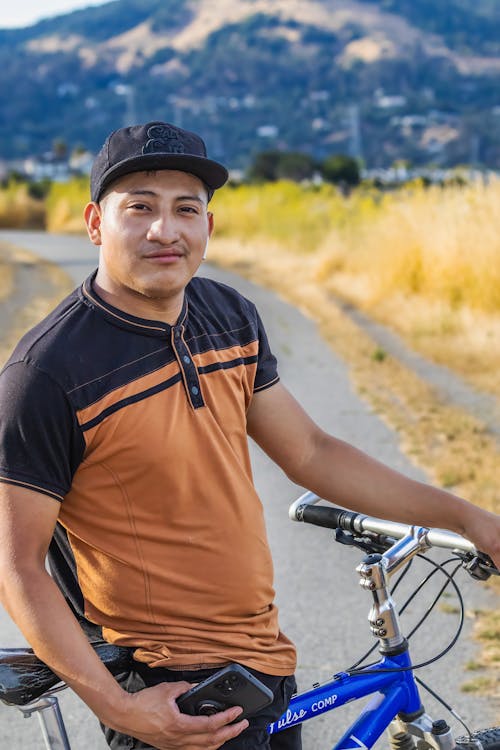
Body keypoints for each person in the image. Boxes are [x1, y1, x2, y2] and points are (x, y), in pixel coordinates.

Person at [0, 121, 499, 750]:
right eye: (140, 209)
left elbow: (312, 453)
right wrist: (121, 709)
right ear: (96, 223)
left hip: (261, 661)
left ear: (209, 225)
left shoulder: (226, 314)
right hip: (172, 690)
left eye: (187, 209)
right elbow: (16, 564)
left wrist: (471, 518)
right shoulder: (45, 374)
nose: (165, 230)